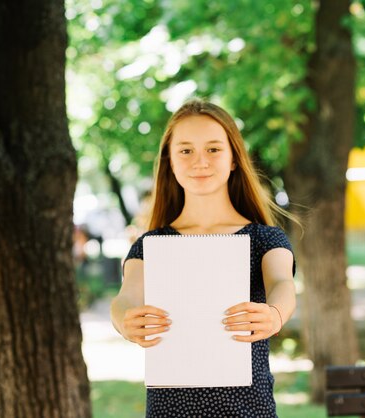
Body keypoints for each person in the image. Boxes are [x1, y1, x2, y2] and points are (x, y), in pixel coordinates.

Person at [110, 98, 297, 417]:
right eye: (185, 150)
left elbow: (282, 282)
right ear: (169, 159)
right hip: (169, 410)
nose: (200, 161)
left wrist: (275, 314)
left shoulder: (264, 239)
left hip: (249, 410)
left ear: (234, 159)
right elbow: (125, 297)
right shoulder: (151, 244)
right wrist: (125, 321)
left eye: (213, 149)